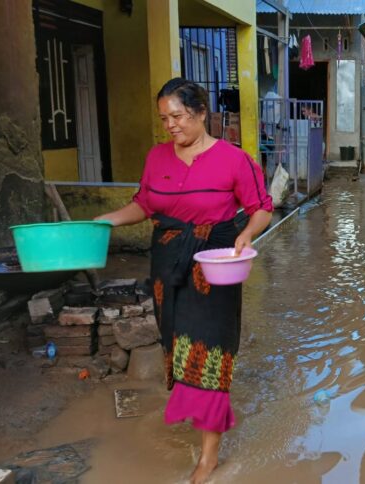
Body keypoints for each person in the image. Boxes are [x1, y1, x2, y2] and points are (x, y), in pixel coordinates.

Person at [96, 78, 273, 483]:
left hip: (216, 264)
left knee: (209, 351)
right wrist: (104, 221)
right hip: (168, 265)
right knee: (177, 343)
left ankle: (209, 456)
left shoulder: (234, 159)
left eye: (177, 116)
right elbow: (143, 204)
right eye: (164, 118)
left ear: (200, 112)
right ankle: (196, 415)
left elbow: (261, 208)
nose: (170, 125)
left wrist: (247, 234)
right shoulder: (157, 158)